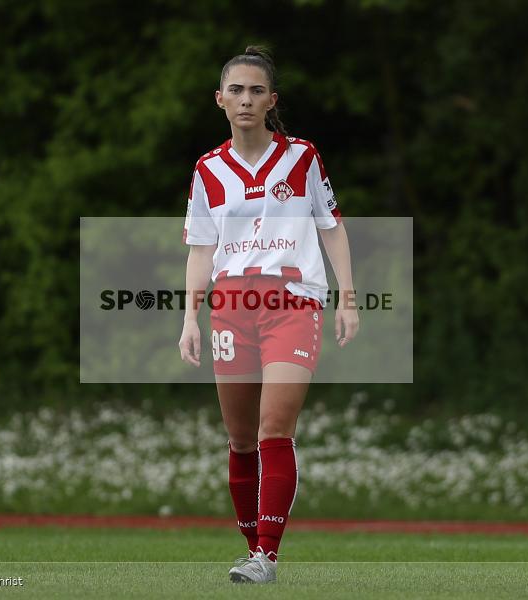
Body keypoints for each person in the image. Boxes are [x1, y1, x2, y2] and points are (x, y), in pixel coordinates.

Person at [179, 46, 358, 584]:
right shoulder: (208, 170)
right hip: (232, 308)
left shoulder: (302, 157)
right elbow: (200, 251)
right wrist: (189, 318)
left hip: (292, 302)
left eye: (257, 90)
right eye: (236, 90)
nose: (246, 99)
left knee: (275, 426)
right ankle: (252, 546)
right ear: (219, 100)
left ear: (271, 100)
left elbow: (331, 227)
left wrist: (347, 295)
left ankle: (266, 558)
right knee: (239, 440)